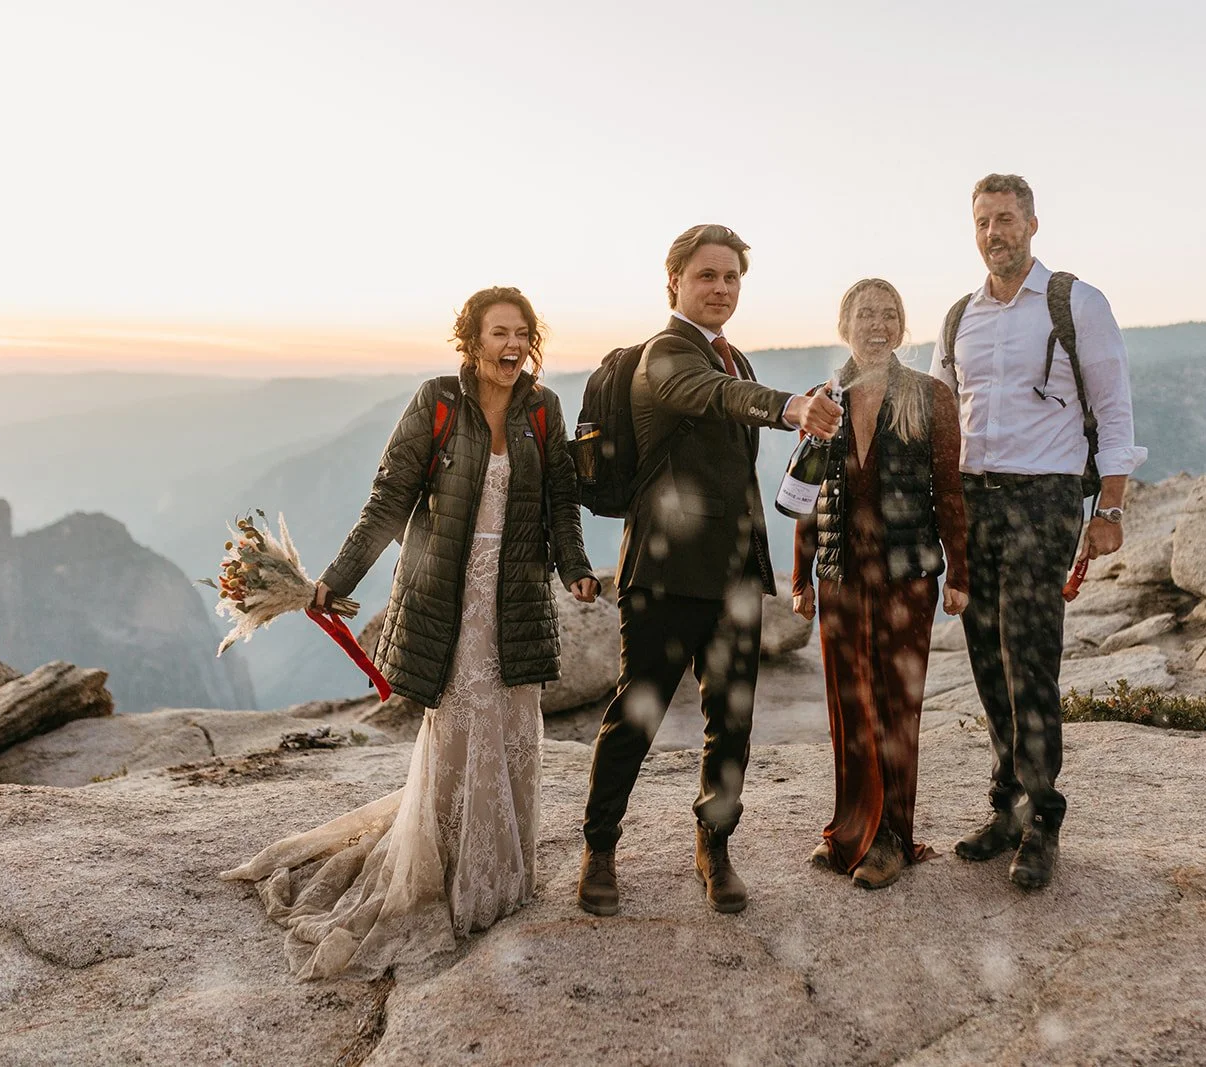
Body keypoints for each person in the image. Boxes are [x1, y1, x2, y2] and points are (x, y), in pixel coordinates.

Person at [221, 286, 599, 979]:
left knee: (512, 725)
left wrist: (575, 568)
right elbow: (390, 500)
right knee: (457, 724)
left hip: (513, 594)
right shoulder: (437, 402)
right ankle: (448, 872)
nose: (511, 345)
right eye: (498, 334)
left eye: (521, 333)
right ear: (472, 341)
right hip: (444, 598)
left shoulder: (543, 410)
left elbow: (561, 504)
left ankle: (501, 876)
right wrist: (338, 577)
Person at [578, 224, 843, 916]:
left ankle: (714, 847)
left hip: (731, 573)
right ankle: (599, 849)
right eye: (706, 276)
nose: (720, 288)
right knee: (635, 715)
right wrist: (789, 407)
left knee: (731, 720)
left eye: (730, 277)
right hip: (663, 573)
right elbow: (710, 396)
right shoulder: (665, 356)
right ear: (675, 282)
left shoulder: (738, 356)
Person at [931, 174, 1147, 890]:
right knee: (987, 661)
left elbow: (1114, 410)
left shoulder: (1075, 301)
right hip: (970, 499)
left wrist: (1108, 509)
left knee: (1030, 661)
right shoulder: (960, 315)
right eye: (984, 222)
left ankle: (1043, 817)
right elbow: (938, 419)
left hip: (1042, 498)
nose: (996, 233)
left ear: (1033, 223)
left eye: (1007, 219)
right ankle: (1006, 806)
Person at [792, 278, 969, 890]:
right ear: (845, 325)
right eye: (865, 314)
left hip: (906, 577)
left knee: (896, 707)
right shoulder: (824, 398)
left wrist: (960, 575)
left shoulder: (927, 396)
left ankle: (891, 837)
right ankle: (848, 832)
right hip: (840, 575)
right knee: (849, 706)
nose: (878, 324)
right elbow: (808, 491)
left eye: (889, 314)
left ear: (902, 327)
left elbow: (948, 491)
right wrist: (801, 577)